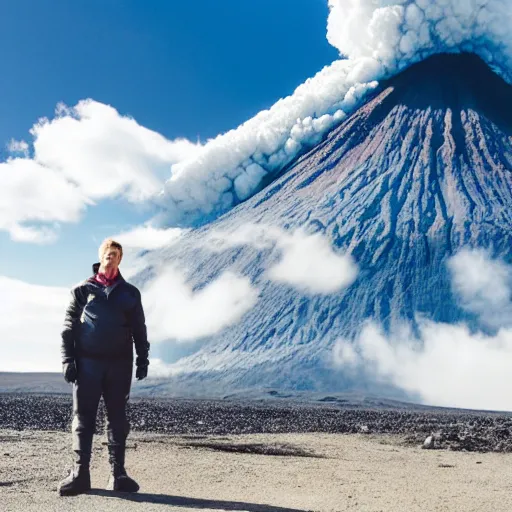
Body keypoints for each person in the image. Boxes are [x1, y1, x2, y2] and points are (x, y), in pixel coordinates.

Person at [58, 238, 150, 496]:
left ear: (120, 260)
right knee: (83, 418)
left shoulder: (130, 293)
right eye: (107, 253)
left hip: (120, 364)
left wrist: (143, 358)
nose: (111, 256)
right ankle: (80, 474)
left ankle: (118, 474)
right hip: (87, 363)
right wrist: (68, 359)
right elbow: (68, 326)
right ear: (100, 257)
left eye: (116, 254)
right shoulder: (82, 290)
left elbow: (139, 328)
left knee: (118, 419)